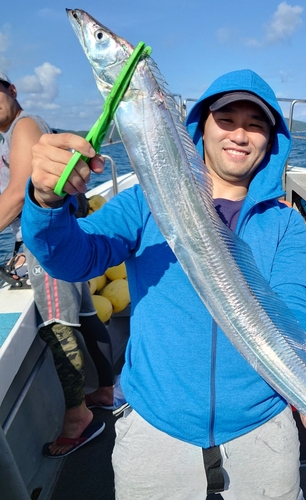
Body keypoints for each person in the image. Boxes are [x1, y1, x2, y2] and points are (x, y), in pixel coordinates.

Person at [23, 69, 306, 499]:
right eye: (227, 119)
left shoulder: (284, 224)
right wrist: (47, 201)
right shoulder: (147, 201)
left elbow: (295, 311)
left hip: (261, 421)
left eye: (256, 124)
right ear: (200, 127)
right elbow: (71, 257)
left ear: (272, 141)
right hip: (156, 420)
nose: (240, 135)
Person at [0, 70, 114, 458]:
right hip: (63, 232)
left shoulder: (23, 127)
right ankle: (106, 390)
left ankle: (77, 418)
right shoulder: (15, 131)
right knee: (83, 314)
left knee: (56, 327)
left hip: (44, 238)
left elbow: (18, 195)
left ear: (12, 91)